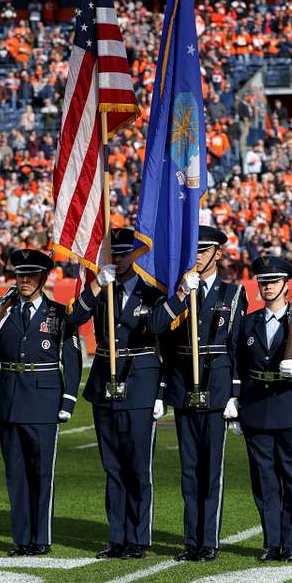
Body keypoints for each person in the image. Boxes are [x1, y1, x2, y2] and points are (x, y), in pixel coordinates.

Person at [65, 228, 179, 560]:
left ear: (136, 254)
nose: (118, 258)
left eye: (124, 253)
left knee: (138, 467)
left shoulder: (151, 292)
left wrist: (160, 391)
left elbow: (163, 340)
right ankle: (117, 537)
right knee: (112, 466)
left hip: (141, 382)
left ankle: (138, 538)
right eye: (113, 253)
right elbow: (73, 319)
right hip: (104, 383)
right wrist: (98, 284)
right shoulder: (101, 288)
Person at [0, 249, 82, 557]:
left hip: (44, 401)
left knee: (41, 472)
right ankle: (21, 538)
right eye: (20, 275)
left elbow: (71, 359)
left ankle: (40, 537)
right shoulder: (4, 313)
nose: (25, 280)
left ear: (43, 278)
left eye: (31, 275)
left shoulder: (59, 314)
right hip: (10, 400)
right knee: (15, 474)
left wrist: (68, 400)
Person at [160, 225, 248, 563]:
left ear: (217, 254)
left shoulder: (233, 294)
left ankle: (208, 540)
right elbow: (161, 337)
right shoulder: (179, 291)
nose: (196, 256)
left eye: (204, 250)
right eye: (193, 250)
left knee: (211, 470)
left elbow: (238, 346)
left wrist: (235, 394)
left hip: (217, 388)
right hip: (184, 387)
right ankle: (190, 540)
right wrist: (181, 295)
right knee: (189, 470)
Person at [237, 255, 292, 563]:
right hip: (257, 408)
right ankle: (272, 542)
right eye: (263, 281)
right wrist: (236, 400)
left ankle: (290, 543)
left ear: (287, 284)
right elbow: (239, 365)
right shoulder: (248, 322)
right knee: (264, 481)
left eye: (273, 281)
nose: (267, 286)